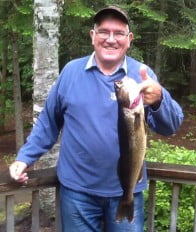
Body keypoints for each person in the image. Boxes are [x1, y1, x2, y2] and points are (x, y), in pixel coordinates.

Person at [9, 5, 184, 232]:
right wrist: (24, 158)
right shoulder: (71, 72)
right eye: (103, 31)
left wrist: (159, 99)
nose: (111, 39)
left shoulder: (142, 75)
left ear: (129, 39)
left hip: (127, 190)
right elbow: (47, 123)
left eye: (119, 33)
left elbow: (171, 126)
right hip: (76, 193)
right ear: (93, 36)